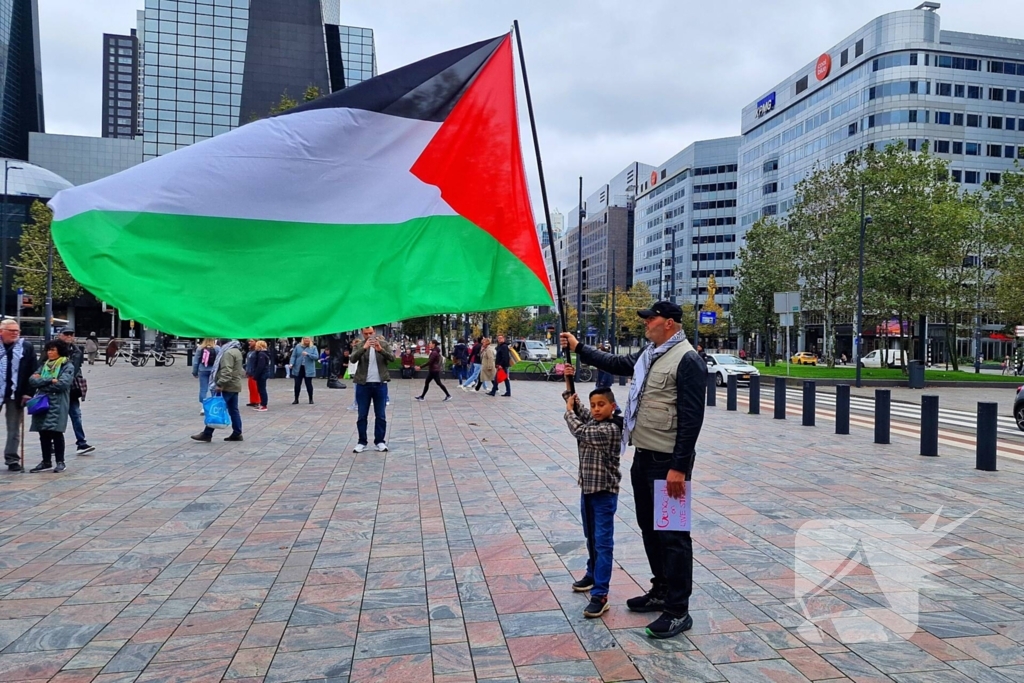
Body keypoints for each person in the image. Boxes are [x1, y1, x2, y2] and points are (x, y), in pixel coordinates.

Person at [561, 300, 706, 640]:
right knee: (650, 529)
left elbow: (692, 419)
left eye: (650, 318)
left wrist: (679, 468)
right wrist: (579, 348)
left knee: (674, 536)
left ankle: (678, 610)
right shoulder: (649, 354)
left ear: (669, 323)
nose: (645, 323)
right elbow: (615, 362)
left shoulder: (687, 360)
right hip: (643, 456)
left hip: (669, 463)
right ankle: (661, 590)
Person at [562, 364, 622, 618]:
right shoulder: (596, 420)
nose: (596, 409)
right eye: (593, 405)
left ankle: (600, 594)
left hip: (604, 494)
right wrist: (569, 381)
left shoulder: (610, 429)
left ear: (612, 406)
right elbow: (581, 412)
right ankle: (592, 573)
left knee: (603, 543)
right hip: (587, 490)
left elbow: (580, 429)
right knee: (591, 538)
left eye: (601, 405)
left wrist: (568, 412)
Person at [28, 339, 76, 473]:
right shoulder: (44, 365)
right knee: (43, 432)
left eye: (53, 350)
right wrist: (50, 380)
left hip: (57, 403)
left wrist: (42, 383)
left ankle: (60, 461)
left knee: (56, 432)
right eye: (48, 350)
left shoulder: (67, 365)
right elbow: (32, 380)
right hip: (42, 403)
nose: (49, 352)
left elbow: (62, 384)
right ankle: (46, 461)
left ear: (60, 351)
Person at [2, 319, 38, 472]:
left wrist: (28, 393)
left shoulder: (26, 347)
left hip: (16, 393)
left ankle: (12, 458)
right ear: (1, 331)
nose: (15, 333)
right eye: (11, 330)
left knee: (14, 428)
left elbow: (33, 371)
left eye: (17, 330)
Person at [350, 326, 394, 452]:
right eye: (366, 334)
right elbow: (352, 359)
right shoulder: (359, 345)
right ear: (362, 333)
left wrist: (381, 350)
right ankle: (361, 442)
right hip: (363, 384)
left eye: (370, 333)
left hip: (380, 384)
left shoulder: (383, 344)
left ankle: (380, 441)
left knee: (380, 415)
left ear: (374, 332)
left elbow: (392, 358)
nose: (369, 336)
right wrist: (364, 348)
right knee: (362, 415)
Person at [192, 339, 244, 442]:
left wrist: (220, 384)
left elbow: (226, 370)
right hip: (234, 384)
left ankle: (207, 433)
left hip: (227, 385)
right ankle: (237, 432)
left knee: (216, 408)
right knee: (233, 410)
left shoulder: (227, 353)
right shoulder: (236, 350)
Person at [59, 329, 95, 455]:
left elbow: (75, 368)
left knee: (76, 415)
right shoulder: (53, 348)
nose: (69, 337)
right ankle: (53, 442)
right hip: (57, 388)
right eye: (66, 334)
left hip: (71, 388)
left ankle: (81, 442)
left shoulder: (77, 351)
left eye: (71, 334)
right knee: (57, 416)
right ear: (60, 335)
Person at [192, 338, 218, 413]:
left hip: (203, 370)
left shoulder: (200, 348)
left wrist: (195, 372)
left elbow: (196, 361)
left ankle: (204, 407)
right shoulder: (217, 348)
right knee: (213, 388)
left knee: (203, 389)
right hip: (213, 370)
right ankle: (214, 405)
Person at [290, 337, 317, 404]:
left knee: (308, 384)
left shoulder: (313, 347)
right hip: (298, 368)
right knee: (297, 384)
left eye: (307, 341)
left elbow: (316, 357)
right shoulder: (298, 347)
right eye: (305, 341)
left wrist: (308, 354)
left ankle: (311, 399)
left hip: (308, 368)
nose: (306, 342)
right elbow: (293, 356)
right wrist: (291, 363)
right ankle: (296, 399)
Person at [252, 340, 273, 411]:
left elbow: (260, 366)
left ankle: (264, 405)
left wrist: (256, 375)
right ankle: (262, 403)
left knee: (262, 389)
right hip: (264, 373)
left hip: (262, 374)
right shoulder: (265, 353)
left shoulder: (261, 354)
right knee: (261, 389)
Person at [244, 339, 260, 407]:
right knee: (251, 387)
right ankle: (252, 400)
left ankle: (257, 401)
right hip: (250, 371)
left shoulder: (257, 352)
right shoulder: (250, 351)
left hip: (254, 372)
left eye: (251, 341)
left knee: (255, 387)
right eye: (249, 341)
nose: (249, 342)